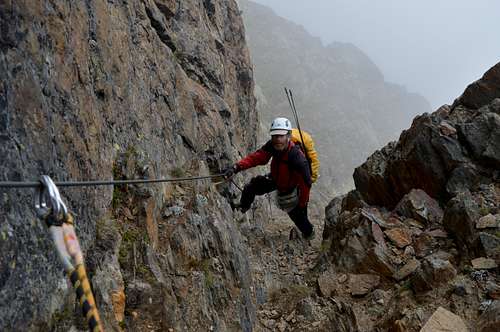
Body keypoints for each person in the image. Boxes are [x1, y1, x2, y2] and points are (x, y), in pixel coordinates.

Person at [223, 117, 315, 240]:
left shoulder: (297, 157)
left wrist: (302, 203)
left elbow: (306, 183)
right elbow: (257, 158)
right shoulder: (272, 146)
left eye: (281, 136)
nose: (278, 139)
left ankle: (309, 234)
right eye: (275, 136)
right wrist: (236, 167)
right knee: (252, 186)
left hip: (291, 186)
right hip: (276, 178)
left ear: (288, 136)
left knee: (298, 217)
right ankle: (242, 207)